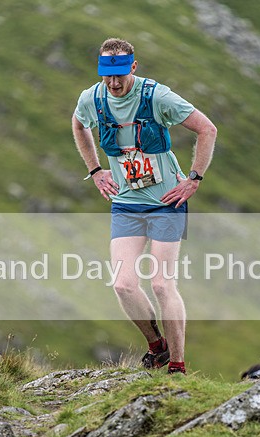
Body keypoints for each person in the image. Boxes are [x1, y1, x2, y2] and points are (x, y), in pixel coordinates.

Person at [71, 37, 217, 375]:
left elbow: (207, 129)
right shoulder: (91, 99)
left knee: (162, 285)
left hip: (167, 202)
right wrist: (94, 170)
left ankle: (178, 368)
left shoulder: (157, 96)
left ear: (133, 67)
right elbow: (78, 125)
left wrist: (194, 178)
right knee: (123, 285)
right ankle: (157, 346)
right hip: (126, 203)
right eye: (108, 76)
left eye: (121, 74)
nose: (114, 83)